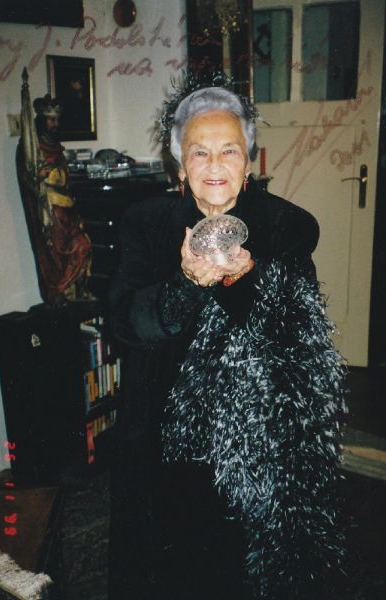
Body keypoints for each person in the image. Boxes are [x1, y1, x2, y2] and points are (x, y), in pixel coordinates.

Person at [107, 85, 346, 600]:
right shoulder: (144, 224)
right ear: (180, 165)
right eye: (199, 151)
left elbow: (298, 338)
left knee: (239, 570)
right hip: (162, 429)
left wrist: (245, 278)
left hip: (257, 438)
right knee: (170, 566)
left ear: (249, 162)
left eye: (229, 150)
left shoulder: (287, 226)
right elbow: (125, 324)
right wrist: (186, 285)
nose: (214, 164)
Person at [16, 93, 91, 304]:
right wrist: (37, 177)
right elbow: (27, 179)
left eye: (57, 119)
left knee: (83, 244)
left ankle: (76, 291)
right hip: (50, 211)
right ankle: (60, 292)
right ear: (41, 119)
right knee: (56, 256)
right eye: (51, 119)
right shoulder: (31, 147)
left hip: (67, 207)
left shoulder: (55, 147)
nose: (55, 124)